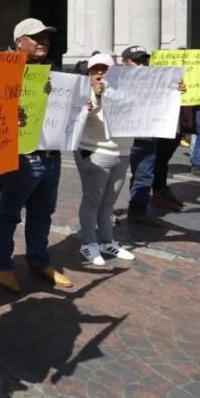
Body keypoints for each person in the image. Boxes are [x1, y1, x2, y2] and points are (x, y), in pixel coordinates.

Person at [0, 18, 72, 293]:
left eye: (46, 37)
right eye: (36, 37)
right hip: (21, 157)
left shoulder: (51, 70)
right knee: (9, 213)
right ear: (18, 42)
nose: (43, 42)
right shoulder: (0, 69)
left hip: (50, 152)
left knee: (43, 213)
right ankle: (4, 266)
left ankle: (39, 261)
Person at [75, 54, 137, 266]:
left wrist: (175, 93)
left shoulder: (126, 92)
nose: (100, 73)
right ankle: (88, 243)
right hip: (95, 151)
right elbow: (84, 116)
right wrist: (97, 97)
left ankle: (107, 240)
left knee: (109, 202)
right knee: (93, 200)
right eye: (95, 70)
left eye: (105, 69)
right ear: (89, 73)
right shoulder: (84, 92)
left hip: (122, 151)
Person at [121, 46, 179, 227]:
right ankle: (101, 213)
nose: (142, 65)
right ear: (125, 63)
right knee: (109, 180)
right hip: (120, 139)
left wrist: (177, 91)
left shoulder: (158, 81)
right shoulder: (115, 80)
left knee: (144, 176)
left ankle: (138, 211)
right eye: (136, 61)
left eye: (145, 60)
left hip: (146, 137)